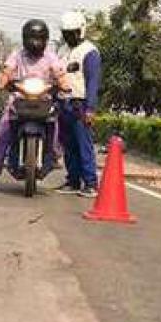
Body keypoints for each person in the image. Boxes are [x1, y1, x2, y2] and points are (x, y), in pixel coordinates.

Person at [0, 19, 69, 190]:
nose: (35, 42)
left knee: (56, 126)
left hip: (44, 101)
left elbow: (59, 72)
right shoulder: (17, 55)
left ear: (45, 40)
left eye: (39, 38)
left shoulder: (51, 57)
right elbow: (7, 69)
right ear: (24, 39)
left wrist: (64, 83)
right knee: (2, 134)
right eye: (32, 38)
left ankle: (53, 154)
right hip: (19, 100)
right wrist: (3, 81)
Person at [56, 10, 102, 197]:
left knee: (84, 144)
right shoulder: (62, 51)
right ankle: (73, 180)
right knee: (68, 145)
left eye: (72, 33)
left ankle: (90, 182)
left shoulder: (90, 52)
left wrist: (90, 108)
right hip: (63, 101)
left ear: (80, 30)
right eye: (66, 33)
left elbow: (92, 81)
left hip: (80, 103)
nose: (69, 36)